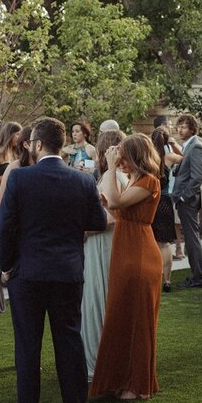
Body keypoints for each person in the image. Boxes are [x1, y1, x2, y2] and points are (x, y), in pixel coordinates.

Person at [0, 117, 107, 403]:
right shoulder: (83, 180)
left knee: (28, 342)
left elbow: (5, 228)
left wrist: (6, 266)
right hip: (67, 270)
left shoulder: (19, 179)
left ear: (38, 144)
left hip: (27, 272)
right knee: (68, 338)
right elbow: (98, 222)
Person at [90, 134, 163, 400]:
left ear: (135, 157)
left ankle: (136, 383)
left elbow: (116, 202)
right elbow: (108, 200)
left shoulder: (148, 181)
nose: (119, 163)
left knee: (138, 320)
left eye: (123, 158)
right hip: (125, 251)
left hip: (140, 254)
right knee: (121, 316)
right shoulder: (133, 179)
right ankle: (120, 379)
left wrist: (109, 169)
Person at [81, 129, 122, 378]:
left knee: (99, 299)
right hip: (106, 244)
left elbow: (110, 217)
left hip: (102, 244)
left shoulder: (110, 175)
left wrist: (81, 228)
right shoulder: (115, 175)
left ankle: (100, 364)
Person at [171, 113, 202, 288]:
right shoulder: (186, 146)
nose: (180, 129)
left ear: (192, 129)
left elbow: (196, 178)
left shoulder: (196, 147)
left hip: (189, 200)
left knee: (192, 239)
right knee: (190, 238)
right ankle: (196, 275)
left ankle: (199, 277)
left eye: (184, 127)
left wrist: (183, 196)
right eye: (179, 126)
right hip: (183, 199)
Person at [151, 126, 182, 292]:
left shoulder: (148, 158)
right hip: (165, 201)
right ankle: (167, 280)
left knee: (152, 242)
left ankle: (154, 278)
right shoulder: (169, 157)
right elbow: (184, 158)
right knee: (164, 244)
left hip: (150, 200)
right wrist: (174, 144)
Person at [0, 121, 23, 246]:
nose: (19, 137)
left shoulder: (18, 153)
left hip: (17, 197)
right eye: (17, 134)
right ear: (10, 135)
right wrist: (8, 174)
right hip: (2, 197)